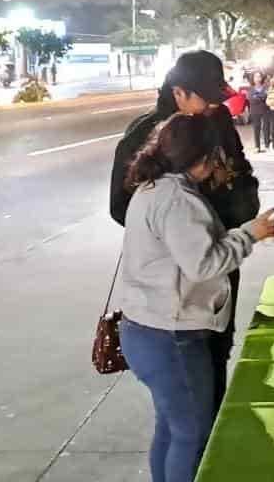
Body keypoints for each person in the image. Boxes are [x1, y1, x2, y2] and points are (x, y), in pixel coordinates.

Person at [117, 113, 274, 482]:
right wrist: (249, 234)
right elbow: (204, 264)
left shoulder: (154, 187)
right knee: (193, 434)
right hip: (171, 336)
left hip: (147, 329)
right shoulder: (177, 199)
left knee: (172, 427)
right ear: (204, 156)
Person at [110, 50, 261, 409]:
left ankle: (206, 437)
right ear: (178, 93)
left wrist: (236, 212)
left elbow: (243, 175)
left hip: (220, 262)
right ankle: (194, 448)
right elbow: (121, 207)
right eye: (205, 98)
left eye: (216, 98)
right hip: (173, 290)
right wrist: (183, 227)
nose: (213, 106)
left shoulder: (218, 123)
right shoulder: (145, 135)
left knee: (216, 356)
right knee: (185, 406)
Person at [246, 71, 270, 153]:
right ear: (253, 78)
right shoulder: (250, 89)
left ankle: (267, 145)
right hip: (254, 111)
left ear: (262, 78)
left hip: (265, 110)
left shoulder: (266, 87)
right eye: (256, 77)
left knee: (266, 128)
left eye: (259, 76)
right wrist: (260, 96)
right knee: (256, 128)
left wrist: (257, 96)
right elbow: (250, 99)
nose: (258, 78)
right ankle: (257, 146)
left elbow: (266, 96)